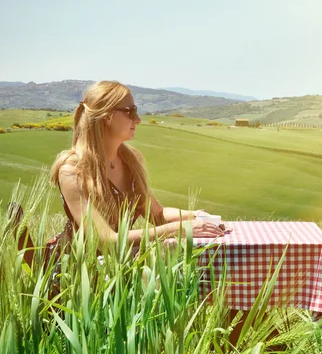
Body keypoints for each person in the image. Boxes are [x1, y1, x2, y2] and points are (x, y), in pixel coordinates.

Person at [44, 80, 224, 263]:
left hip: (120, 261)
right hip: (82, 271)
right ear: (108, 116)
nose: (137, 119)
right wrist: (178, 229)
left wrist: (196, 216)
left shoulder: (131, 161)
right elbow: (105, 241)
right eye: (131, 112)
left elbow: (157, 214)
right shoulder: (72, 172)